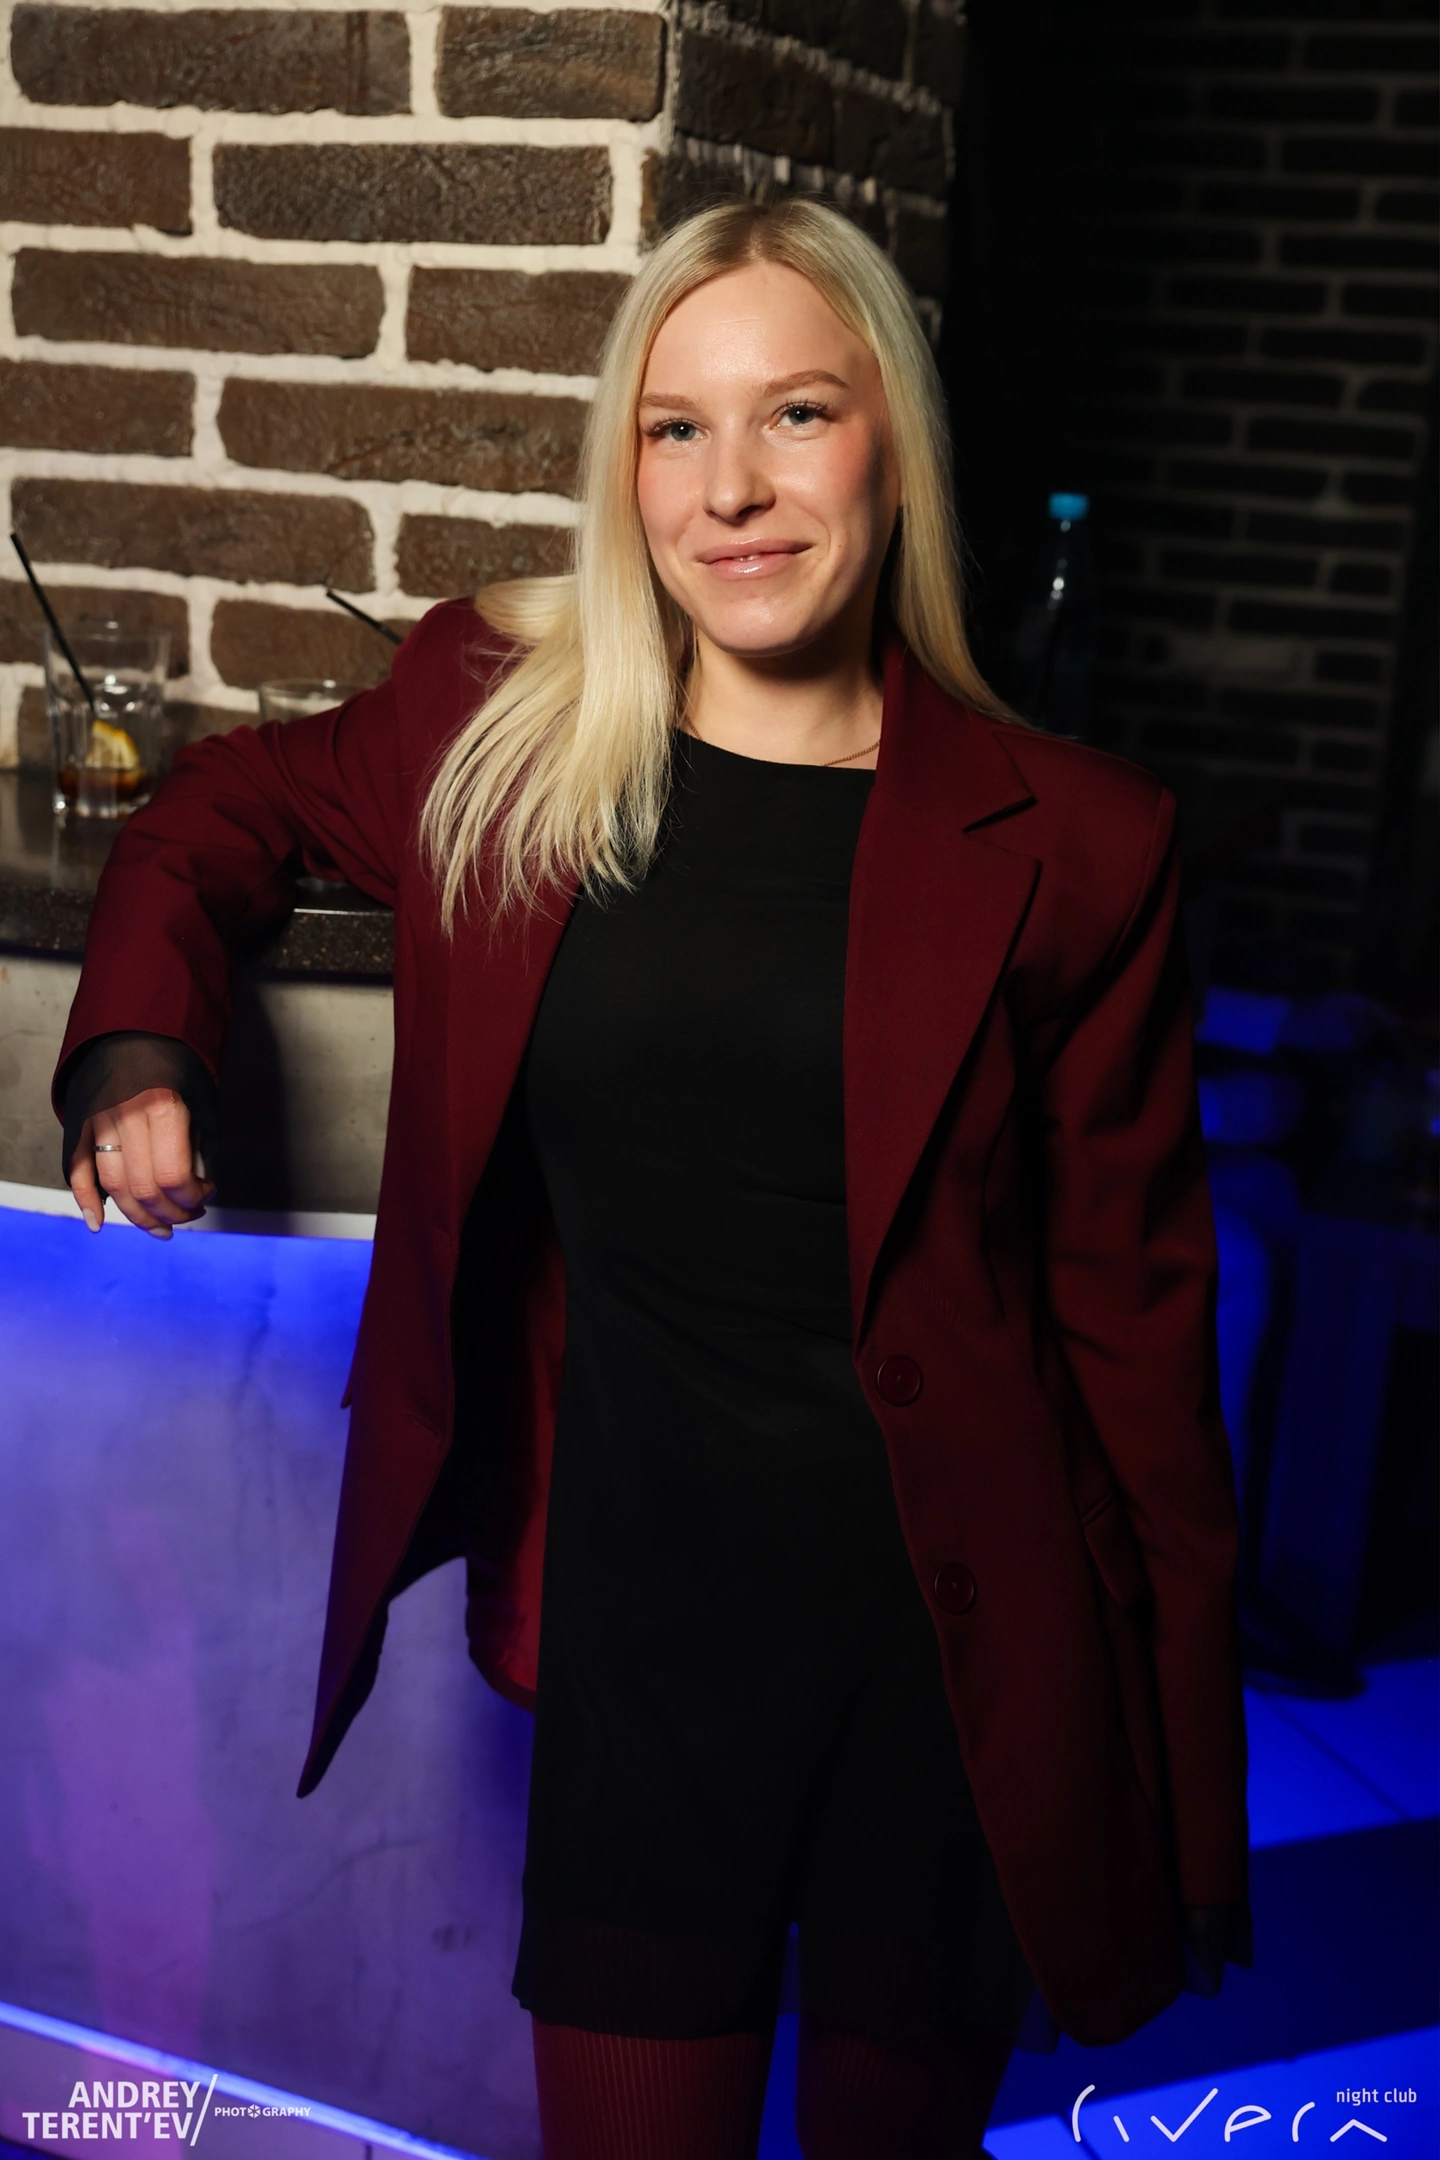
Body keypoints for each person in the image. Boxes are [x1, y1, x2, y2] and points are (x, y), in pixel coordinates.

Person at [55, 199, 1251, 2160]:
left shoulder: (1079, 844)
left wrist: (1190, 1791)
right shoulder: (505, 730)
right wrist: (138, 1053)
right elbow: (215, 811)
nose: (732, 487)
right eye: (674, 428)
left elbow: (1139, 1346)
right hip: (648, 1657)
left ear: (894, 448)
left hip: (954, 1671)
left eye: (797, 414)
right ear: (625, 467)